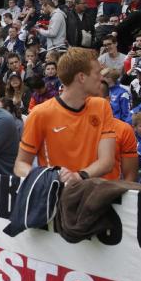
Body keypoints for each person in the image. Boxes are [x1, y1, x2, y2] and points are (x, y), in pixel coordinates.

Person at [14, 47, 116, 184]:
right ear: (81, 77)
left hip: (92, 195)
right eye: (97, 73)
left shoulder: (102, 106)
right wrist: (50, 178)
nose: (101, 77)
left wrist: (78, 176)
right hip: (55, 197)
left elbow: (107, 161)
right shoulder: (40, 113)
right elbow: (20, 165)